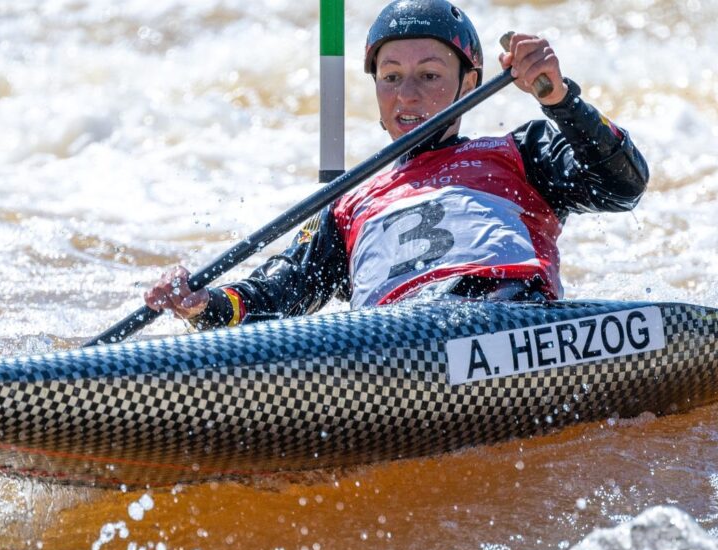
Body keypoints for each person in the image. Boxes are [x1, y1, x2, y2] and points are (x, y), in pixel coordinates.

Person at [145, 0, 648, 329]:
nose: (407, 95)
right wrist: (204, 304)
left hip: (507, 318)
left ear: (468, 85)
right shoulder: (345, 202)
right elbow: (280, 293)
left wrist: (558, 99)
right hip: (391, 344)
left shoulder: (521, 151)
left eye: (429, 75)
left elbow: (623, 185)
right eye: (391, 77)